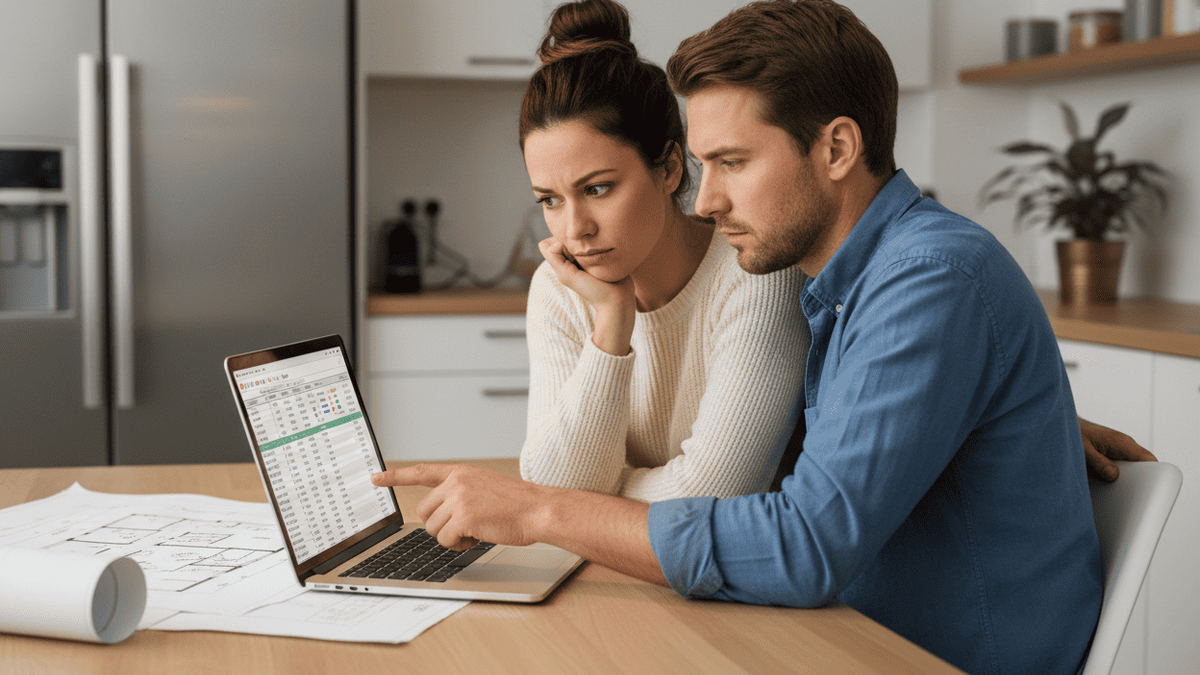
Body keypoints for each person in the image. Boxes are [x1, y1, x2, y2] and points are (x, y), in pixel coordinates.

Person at [374, 2, 1156, 673]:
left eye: (732, 163)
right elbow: (809, 466)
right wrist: (1000, 418)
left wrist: (542, 511)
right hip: (853, 630)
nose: (705, 199)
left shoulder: (927, 279)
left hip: (936, 654)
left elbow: (805, 542)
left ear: (838, 149)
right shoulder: (848, 279)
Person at [516, 0, 809, 502]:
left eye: (598, 188)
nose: (575, 230)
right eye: (550, 199)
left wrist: (603, 493)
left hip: (720, 578)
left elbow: (714, 496)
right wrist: (612, 323)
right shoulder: (559, 288)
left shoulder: (755, 275)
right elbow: (551, 487)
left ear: (670, 169)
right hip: (616, 564)